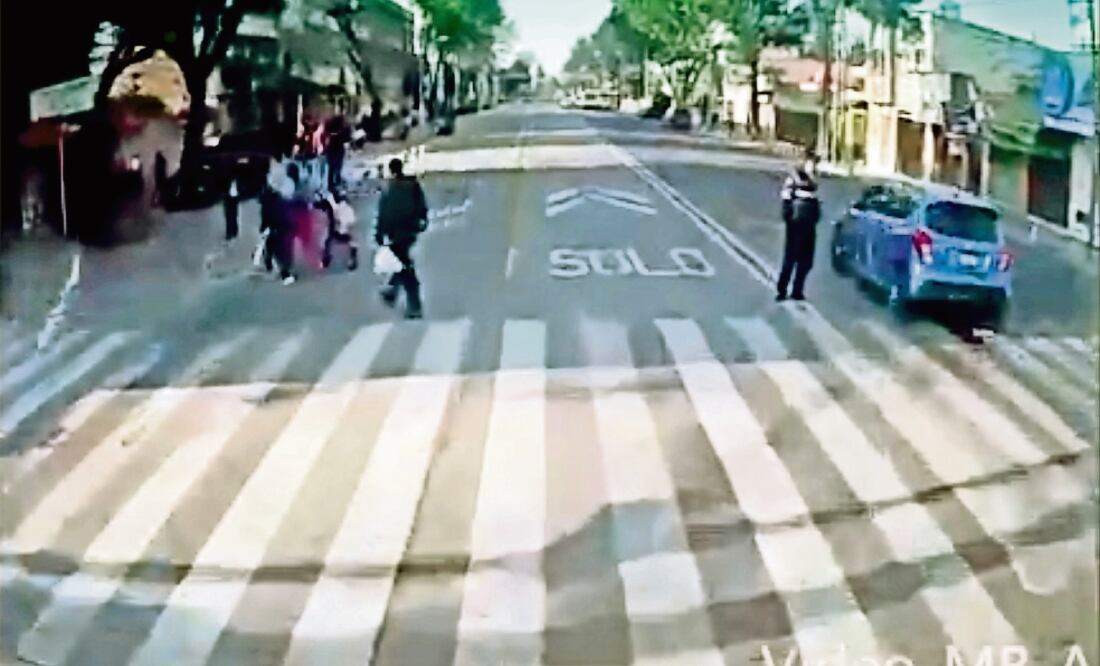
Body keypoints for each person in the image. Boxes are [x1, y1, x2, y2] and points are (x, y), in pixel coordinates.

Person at [375, 157, 428, 319]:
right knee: (403, 264)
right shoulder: (412, 185)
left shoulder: (389, 188)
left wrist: (379, 233)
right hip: (410, 230)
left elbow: (383, 212)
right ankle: (394, 292)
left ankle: (413, 304)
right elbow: (421, 205)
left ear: (391, 170)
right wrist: (422, 221)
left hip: (395, 232)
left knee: (405, 268)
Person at [776, 148, 821, 302]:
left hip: (809, 223)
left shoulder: (813, 180)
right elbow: (786, 198)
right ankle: (782, 289)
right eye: (811, 163)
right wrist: (788, 217)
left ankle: (797, 290)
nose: (813, 166)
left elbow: (814, 199)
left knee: (806, 261)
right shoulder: (795, 178)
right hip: (796, 222)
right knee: (791, 258)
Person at [320, 187, 359, 271]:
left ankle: (351, 259)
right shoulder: (336, 205)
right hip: (337, 231)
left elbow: (351, 224)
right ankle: (326, 259)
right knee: (327, 239)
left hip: (341, 232)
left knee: (327, 240)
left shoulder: (346, 209)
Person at [223, 176, 240, 243]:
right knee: (229, 218)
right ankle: (230, 233)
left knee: (233, 218)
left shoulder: (237, 185)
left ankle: (233, 232)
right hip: (229, 202)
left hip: (233, 202)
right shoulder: (228, 185)